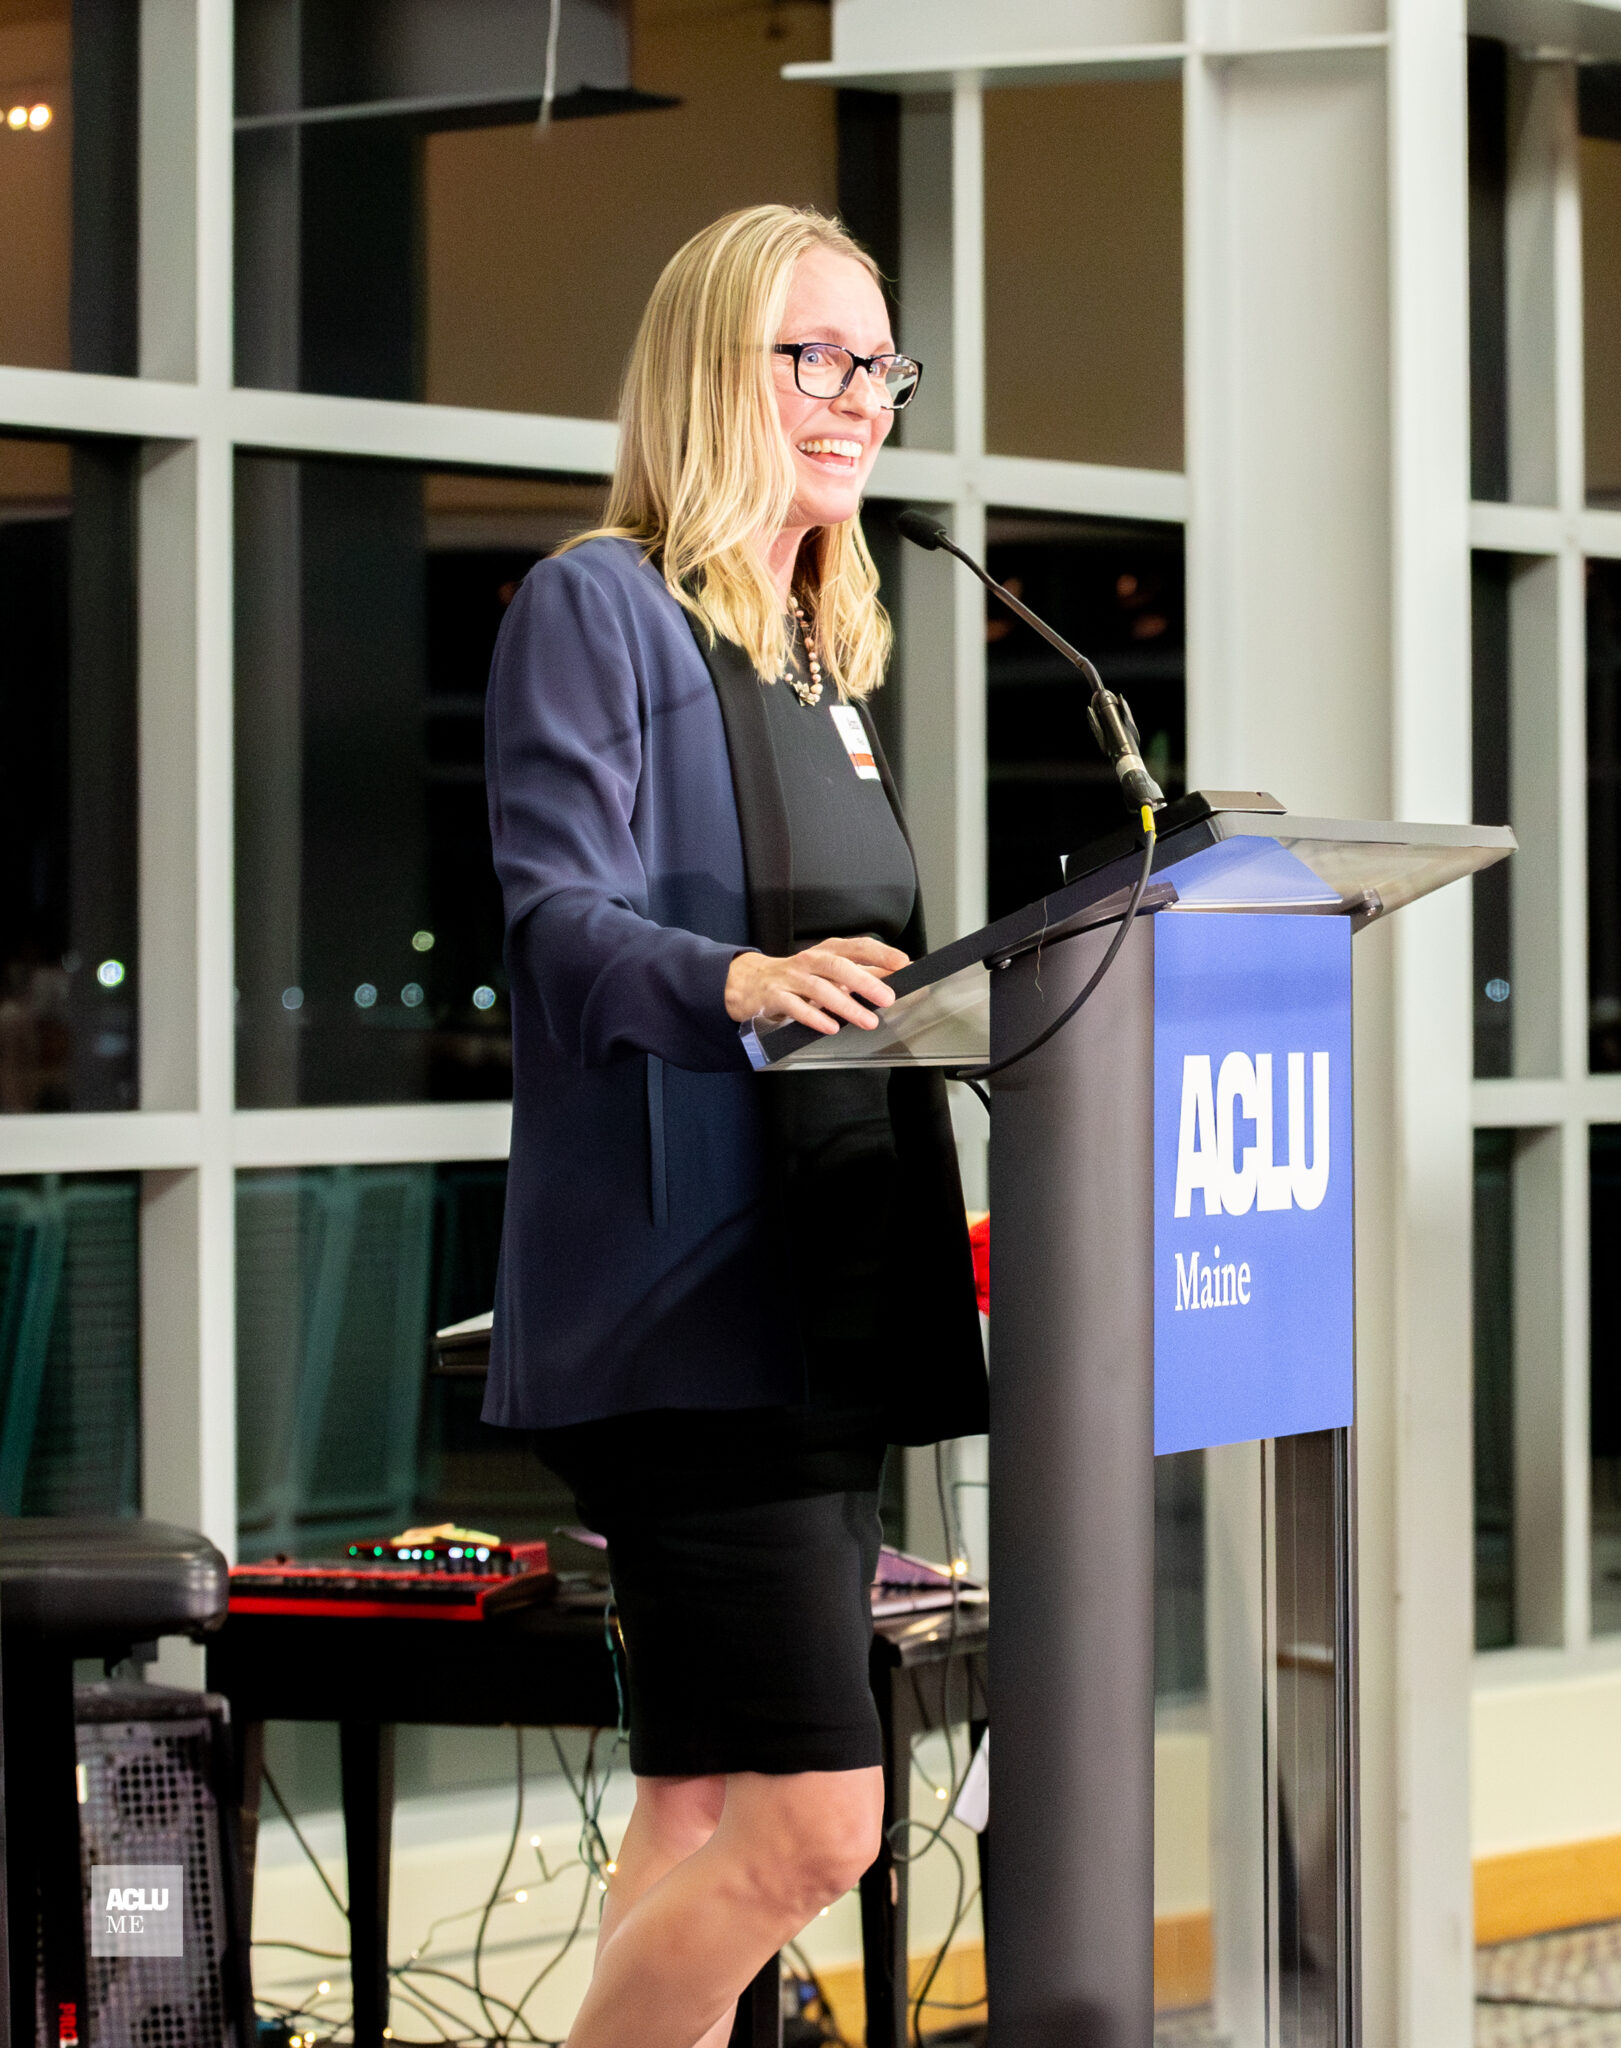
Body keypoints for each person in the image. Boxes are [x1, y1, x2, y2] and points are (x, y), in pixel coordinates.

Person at [480, 204, 986, 2048]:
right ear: (713, 370)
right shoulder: (598, 606)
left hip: (823, 1292)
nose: (857, 398)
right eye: (814, 357)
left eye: (879, 366)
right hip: (688, 1318)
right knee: (820, 1825)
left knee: (699, 1802)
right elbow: (557, 920)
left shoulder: (815, 655)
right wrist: (744, 981)